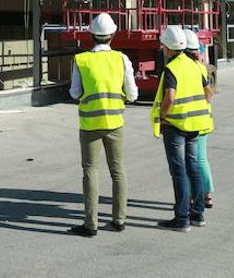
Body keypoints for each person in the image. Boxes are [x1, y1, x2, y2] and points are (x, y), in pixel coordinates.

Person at [68, 13, 139, 237]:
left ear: (91, 35)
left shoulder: (82, 60)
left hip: (90, 124)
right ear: (113, 35)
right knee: (118, 170)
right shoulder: (121, 59)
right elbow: (133, 94)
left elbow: (75, 92)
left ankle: (91, 224)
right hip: (115, 123)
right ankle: (119, 220)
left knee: (90, 171)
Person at [150, 25, 213, 232]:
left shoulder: (172, 68)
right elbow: (208, 92)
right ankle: (198, 214)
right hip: (195, 126)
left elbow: (169, 97)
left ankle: (182, 218)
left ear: (168, 48)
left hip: (176, 125)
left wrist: (162, 115)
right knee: (193, 167)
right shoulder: (195, 66)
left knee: (179, 171)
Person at [184, 29, 215, 209]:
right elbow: (208, 94)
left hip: (193, 121)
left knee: (190, 161)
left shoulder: (188, 69)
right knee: (201, 159)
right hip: (204, 119)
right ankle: (207, 194)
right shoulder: (202, 68)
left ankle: (193, 196)